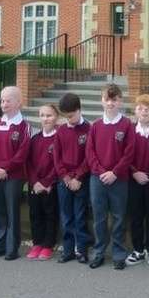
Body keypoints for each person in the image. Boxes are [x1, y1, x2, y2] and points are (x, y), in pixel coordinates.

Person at [86, 83, 136, 270]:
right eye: (107, 99)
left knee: (118, 217)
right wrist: (101, 172)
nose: (110, 103)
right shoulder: (96, 126)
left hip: (119, 179)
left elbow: (129, 153)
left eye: (114, 100)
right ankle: (99, 252)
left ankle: (119, 253)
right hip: (97, 179)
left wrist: (114, 173)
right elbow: (90, 153)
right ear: (102, 101)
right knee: (99, 217)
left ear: (120, 101)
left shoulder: (127, 125)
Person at [0, 86, 31, 261]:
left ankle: (12, 247)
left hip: (14, 176)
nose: (4, 104)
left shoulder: (24, 126)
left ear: (19, 103)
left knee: (12, 211)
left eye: (8, 100)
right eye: (2, 100)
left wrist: (6, 169)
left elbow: (22, 153)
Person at [124, 94, 149, 267]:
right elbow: (124, 156)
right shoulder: (130, 131)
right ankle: (138, 249)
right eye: (140, 108)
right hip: (133, 180)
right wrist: (134, 172)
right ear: (135, 111)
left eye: (147, 109)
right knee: (136, 215)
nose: (144, 111)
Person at [53, 92, 91, 264]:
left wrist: (78, 177)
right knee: (66, 216)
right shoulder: (61, 131)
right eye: (66, 116)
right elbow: (57, 157)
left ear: (79, 109)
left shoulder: (89, 129)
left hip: (81, 181)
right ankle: (68, 249)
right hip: (65, 181)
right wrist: (66, 177)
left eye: (72, 115)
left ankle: (81, 250)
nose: (69, 119)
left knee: (80, 215)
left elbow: (89, 157)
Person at [25, 104, 59, 261]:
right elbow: (29, 163)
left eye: (49, 115)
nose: (46, 119)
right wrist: (35, 182)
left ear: (57, 117)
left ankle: (48, 244)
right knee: (35, 214)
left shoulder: (59, 138)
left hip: (50, 185)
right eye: (43, 115)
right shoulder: (34, 139)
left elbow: (58, 164)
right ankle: (37, 243)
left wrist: (46, 182)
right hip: (35, 185)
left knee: (50, 214)